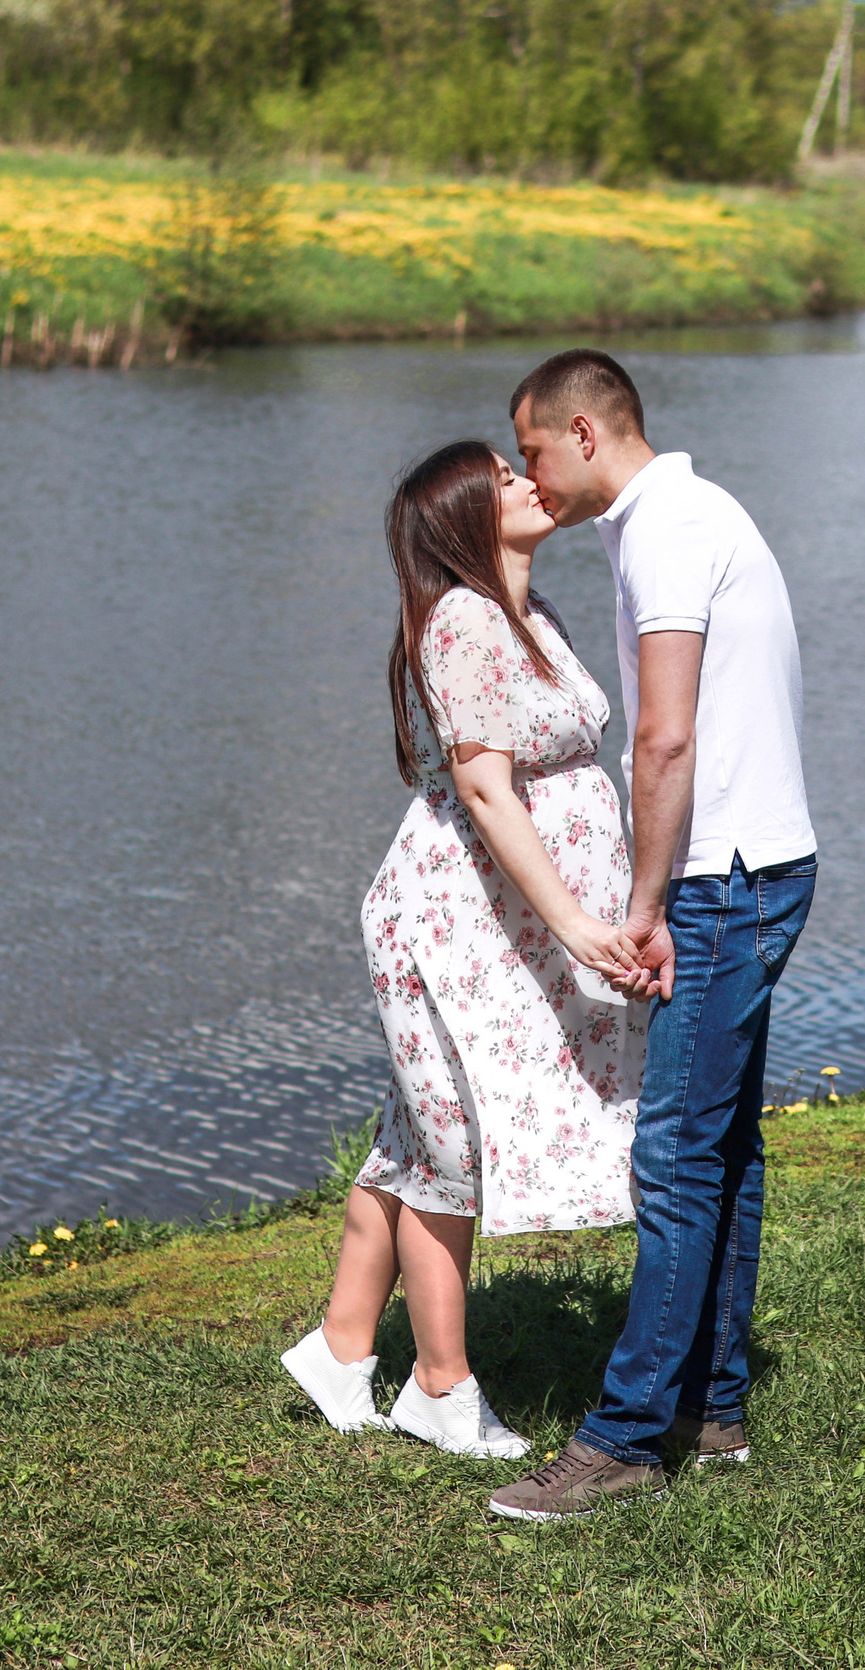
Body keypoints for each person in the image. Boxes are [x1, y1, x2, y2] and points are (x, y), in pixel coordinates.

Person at [489, 350, 818, 1521]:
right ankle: (710, 1407)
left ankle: (625, 1440)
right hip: (761, 863)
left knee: (674, 1158)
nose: (525, 474)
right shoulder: (676, 514)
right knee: (723, 1149)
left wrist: (643, 905)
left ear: (584, 431)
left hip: (725, 878)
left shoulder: (670, 526)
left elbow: (664, 742)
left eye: (529, 450)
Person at [281, 439, 648, 1459]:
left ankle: (341, 1348)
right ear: (468, 521)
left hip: (500, 924)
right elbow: (485, 790)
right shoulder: (462, 624)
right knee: (454, 1144)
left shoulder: (535, 617)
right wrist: (577, 925)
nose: (530, 481)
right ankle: (440, 1387)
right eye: (505, 476)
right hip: (448, 926)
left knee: (414, 1132)